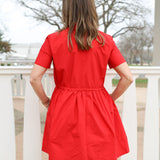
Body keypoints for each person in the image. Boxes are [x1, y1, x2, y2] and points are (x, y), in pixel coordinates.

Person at [30, 0, 133, 159]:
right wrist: (109, 99)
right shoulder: (104, 40)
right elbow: (127, 77)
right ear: (91, 10)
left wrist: (45, 101)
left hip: (63, 107)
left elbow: (35, 78)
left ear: (67, 10)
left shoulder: (53, 39)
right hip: (99, 106)